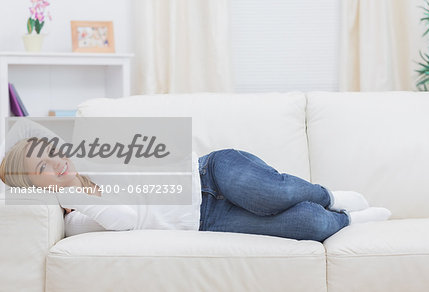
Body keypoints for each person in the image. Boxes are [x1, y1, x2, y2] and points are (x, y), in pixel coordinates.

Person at [0, 138, 391, 242]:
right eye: (43, 168)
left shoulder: (99, 162)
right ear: (33, 187)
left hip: (207, 173)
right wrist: (70, 193)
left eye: (52, 154)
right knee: (309, 226)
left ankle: (330, 196)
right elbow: (127, 219)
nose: (57, 164)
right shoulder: (75, 220)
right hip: (207, 220)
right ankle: (348, 220)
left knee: (275, 193)